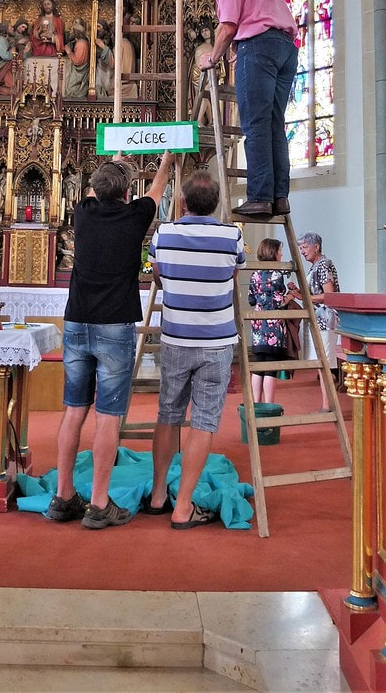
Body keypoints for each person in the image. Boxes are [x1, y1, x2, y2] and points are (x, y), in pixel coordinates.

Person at [46, 149, 174, 529]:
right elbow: (157, 188)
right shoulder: (135, 215)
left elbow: (94, 189)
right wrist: (166, 161)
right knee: (108, 415)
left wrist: (114, 162)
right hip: (114, 325)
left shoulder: (83, 212)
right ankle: (99, 503)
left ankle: (63, 496)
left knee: (74, 410)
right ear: (127, 192)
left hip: (77, 321)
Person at [146, 172, 245, 528]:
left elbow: (157, 275)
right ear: (216, 204)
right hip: (217, 341)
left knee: (168, 414)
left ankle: (158, 494)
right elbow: (232, 276)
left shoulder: (164, 233)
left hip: (176, 337)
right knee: (204, 421)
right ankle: (183, 506)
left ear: (183, 202)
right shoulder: (232, 236)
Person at [185, 0, 299, 219]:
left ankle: (259, 197)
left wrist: (212, 58)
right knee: (274, 124)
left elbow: (228, 26)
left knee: (255, 124)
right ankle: (279, 197)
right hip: (285, 47)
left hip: (258, 47)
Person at [288, 231, 340, 412]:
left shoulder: (324, 264)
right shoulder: (315, 266)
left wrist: (303, 297)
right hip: (318, 320)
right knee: (321, 364)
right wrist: (299, 292)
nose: (302, 251)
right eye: (300, 248)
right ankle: (327, 403)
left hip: (325, 321)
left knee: (324, 364)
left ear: (316, 246)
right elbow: (314, 295)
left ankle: (328, 405)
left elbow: (329, 295)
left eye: (304, 247)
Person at [248, 238, 295, 405]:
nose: (281, 254)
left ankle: (255, 403)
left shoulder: (255, 273)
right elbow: (278, 302)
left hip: (258, 322)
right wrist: (290, 296)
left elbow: (251, 300)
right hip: (273, 324)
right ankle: (269, 404)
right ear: (273, 252)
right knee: (271, 365)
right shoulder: (276, 274)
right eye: (279, 251)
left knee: (258, 364)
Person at [63, 18, 90, 98]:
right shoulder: (78, 42)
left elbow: (77, 61)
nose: (70, 32)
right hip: (77, 71)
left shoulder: (81, 44)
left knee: (71, 88)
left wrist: (69, 52)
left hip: (79, 73)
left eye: (72, 31)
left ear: (76, 32)